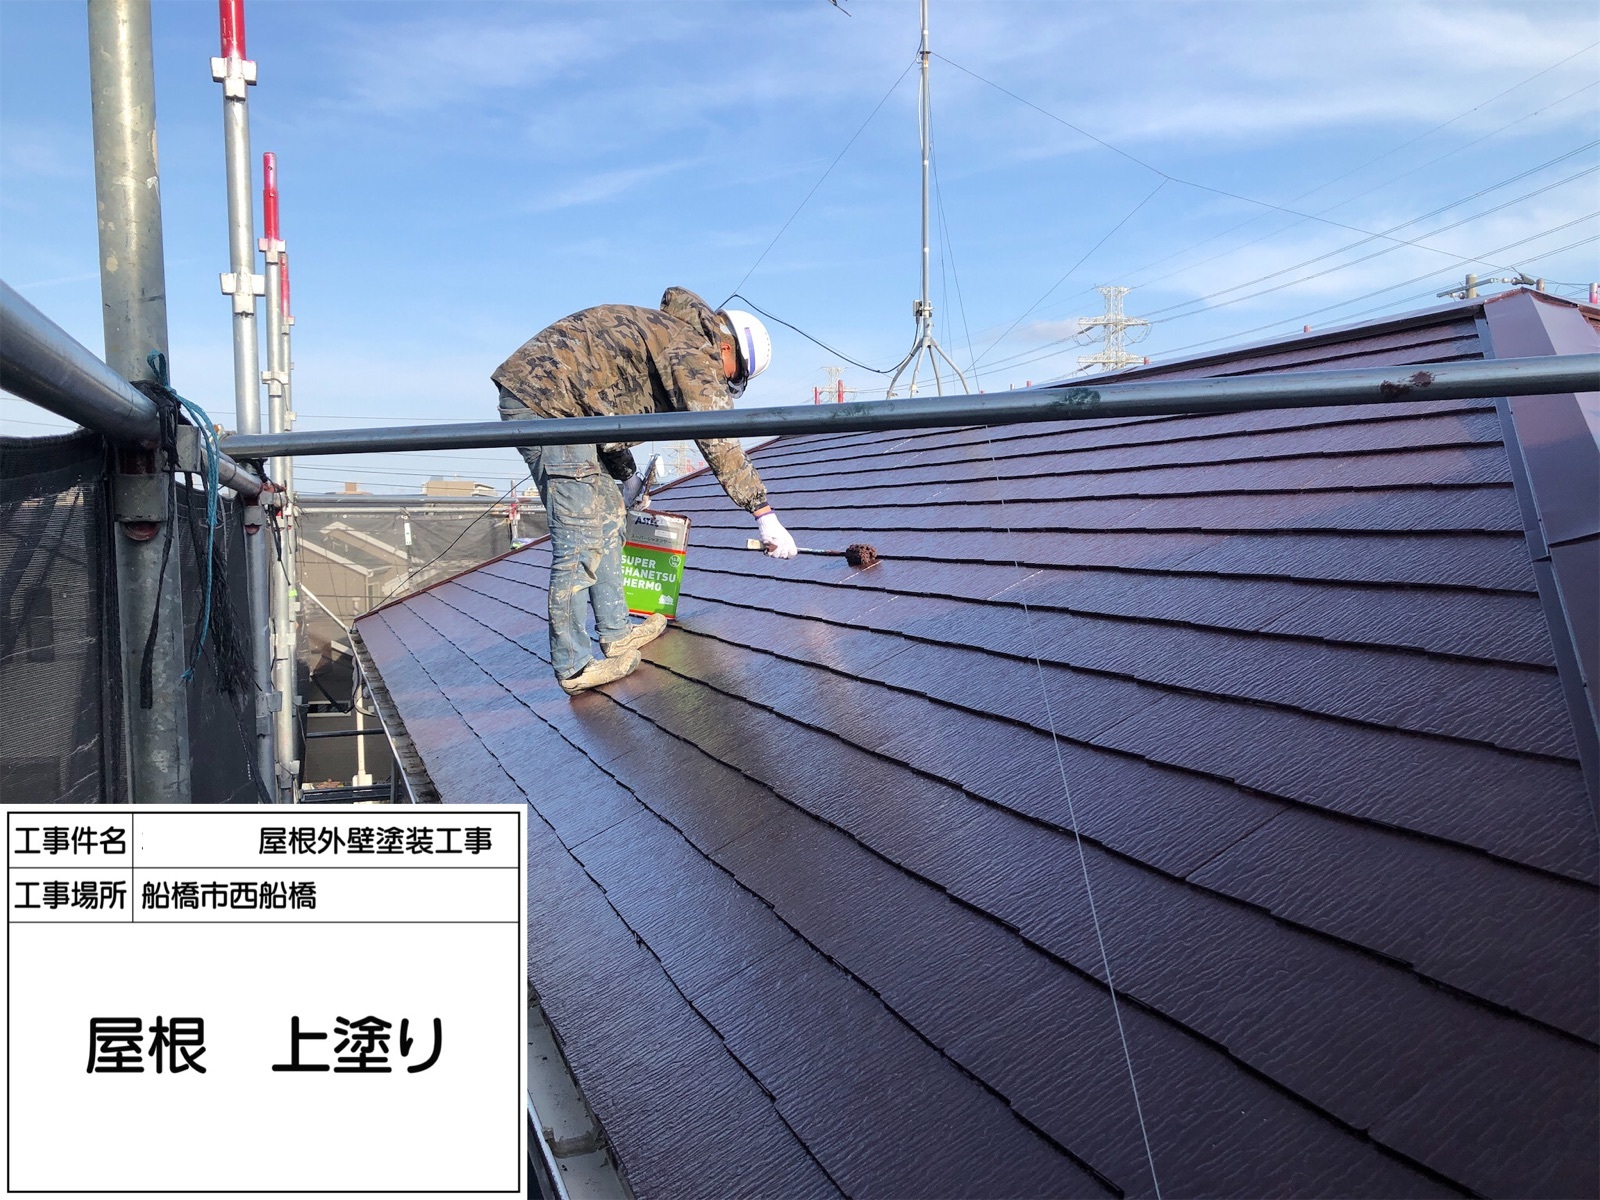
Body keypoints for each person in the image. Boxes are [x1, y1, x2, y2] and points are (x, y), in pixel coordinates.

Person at [495, 286, 798, 695]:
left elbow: (607, 407)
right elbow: (718, 435)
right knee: (579, 539)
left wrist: (628, 477)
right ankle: (574, 666)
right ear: (728, 349)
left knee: (609, 520)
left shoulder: (673, 337)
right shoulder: (695, 351)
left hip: (568, 407)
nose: (727, 382)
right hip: (547, 405)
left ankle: (616, 633)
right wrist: (763, 513)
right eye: (734, 376)